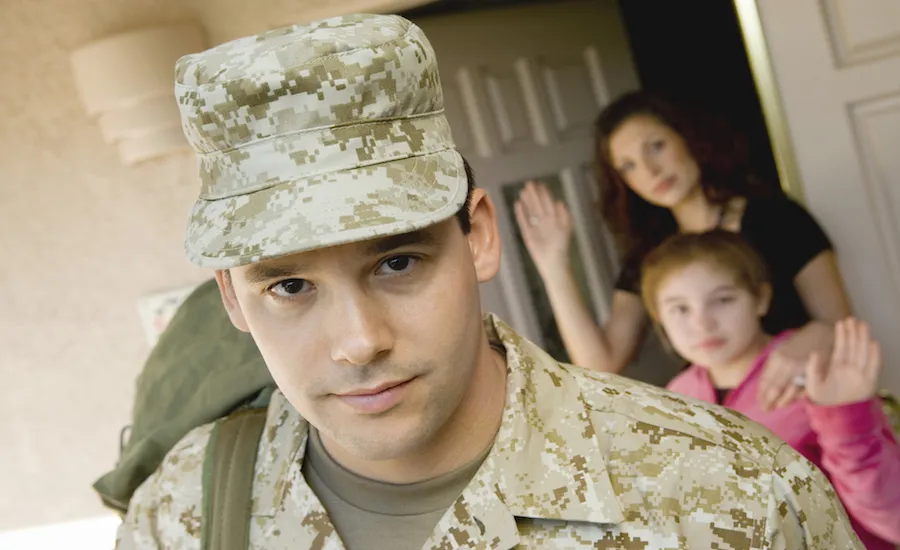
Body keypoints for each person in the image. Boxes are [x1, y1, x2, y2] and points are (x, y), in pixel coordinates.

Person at [116, 14, 865, 549]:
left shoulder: (737, 494)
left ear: (477, 236)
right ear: (229, 298)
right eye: (288, 286)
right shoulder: (182, 511)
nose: (358, 343)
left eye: (397, 262)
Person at [514, 91, 852, 410]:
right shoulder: (650, 256)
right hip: (721, 422)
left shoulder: (776, 218)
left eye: (656, 147)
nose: (650, 171)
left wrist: (804, 344)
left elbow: (840, 324)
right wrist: (553, 264)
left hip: (801, 401)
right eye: (628, 166)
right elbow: (600, 364)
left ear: (689, 137)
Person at [640, 230, 900, 549]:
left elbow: (892, 516)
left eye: (723, 300)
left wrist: (848, 420)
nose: (702, 324)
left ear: (761, 299)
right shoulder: (670, 400)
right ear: (659, 319)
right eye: (680, 309)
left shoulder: (821, 374)